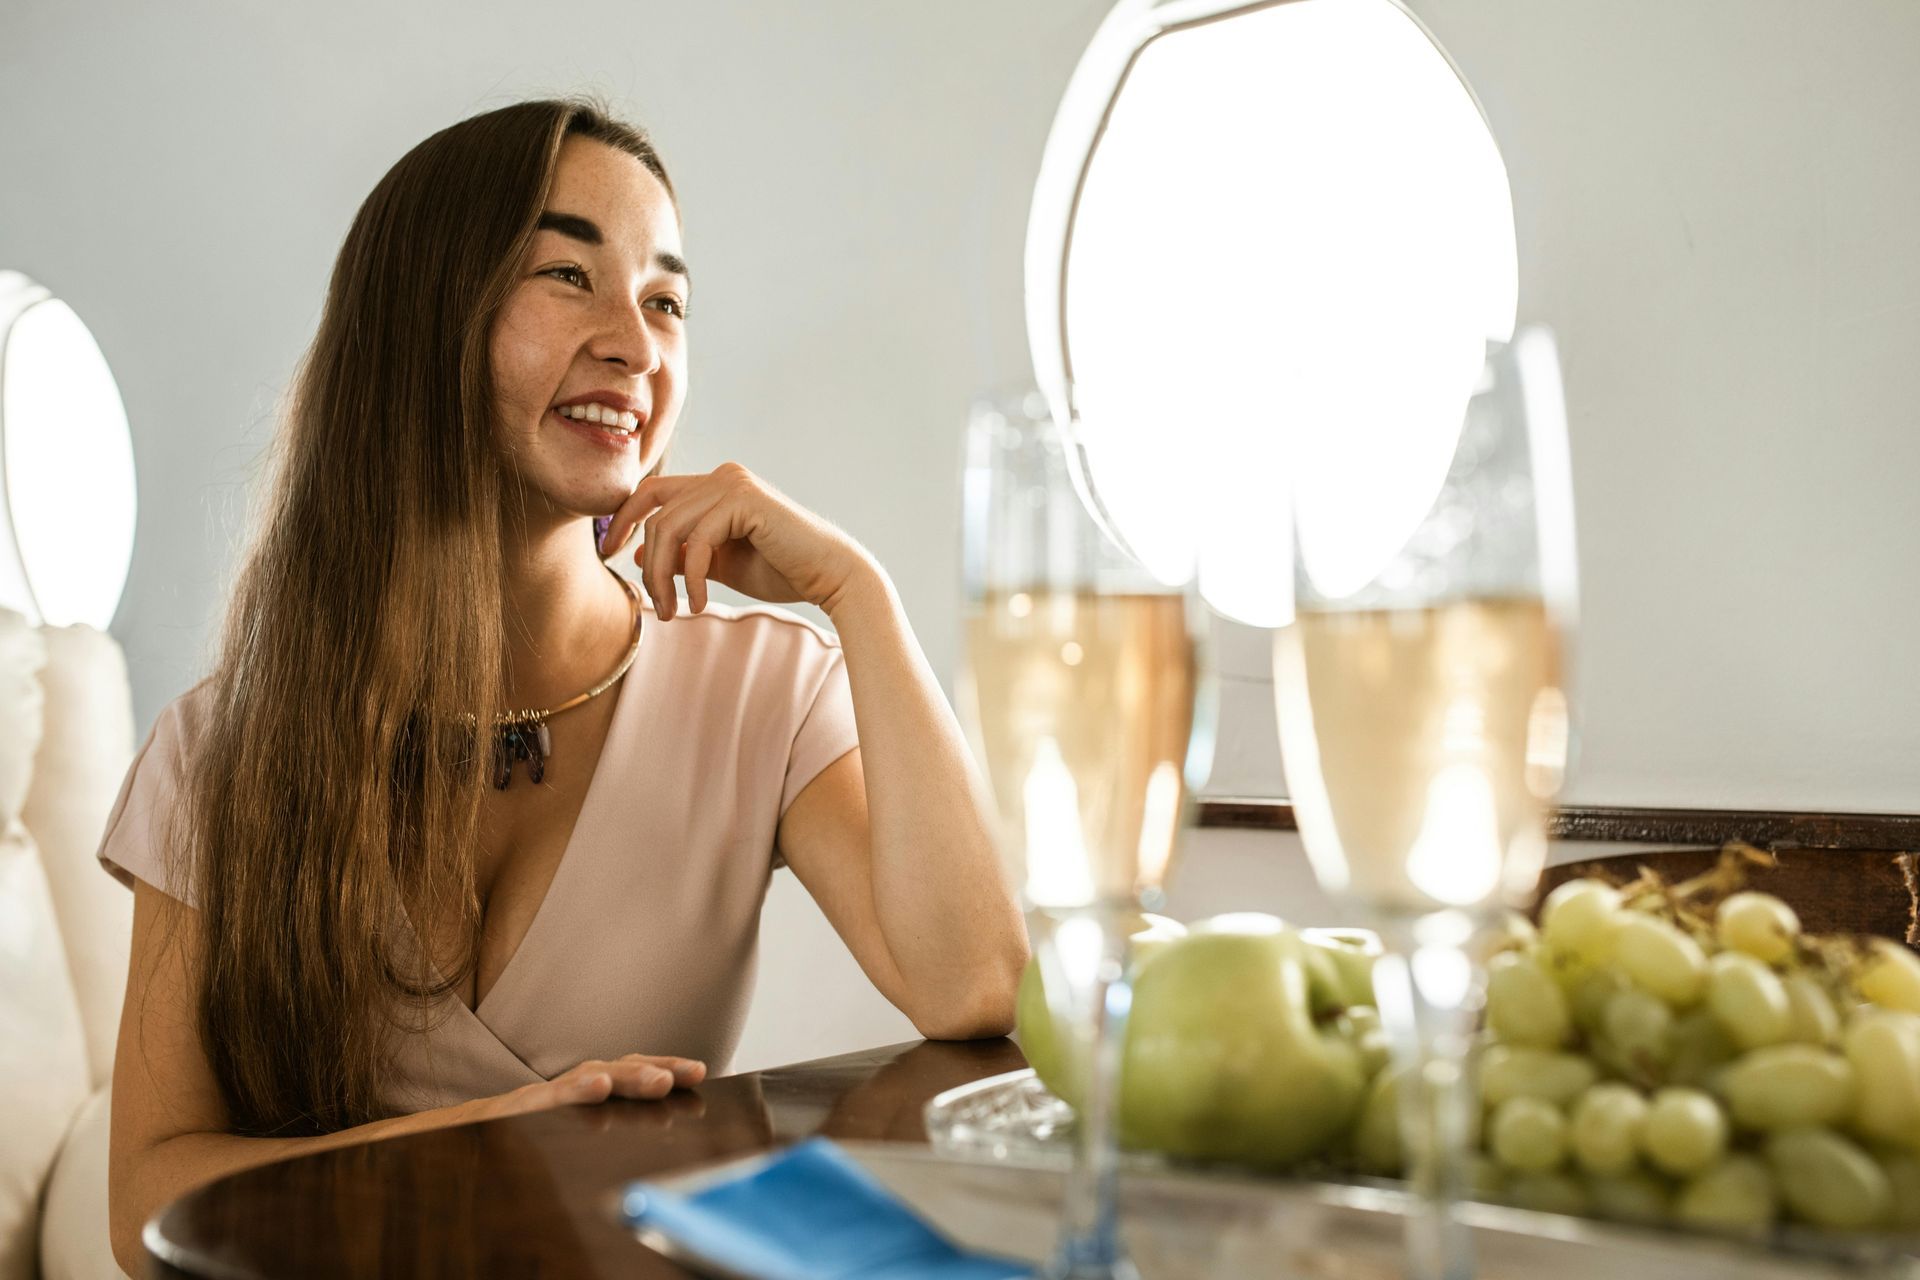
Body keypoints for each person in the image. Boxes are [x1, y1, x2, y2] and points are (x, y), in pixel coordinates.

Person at [102, 98, 1027, 1274]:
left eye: (666, 301)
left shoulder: (766, 690)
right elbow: (145, 1208)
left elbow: (975, 986)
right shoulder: (219, 751)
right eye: (567, 275)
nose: (636, 346)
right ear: (422, 318)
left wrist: (859, 592)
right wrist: (486, 1137)